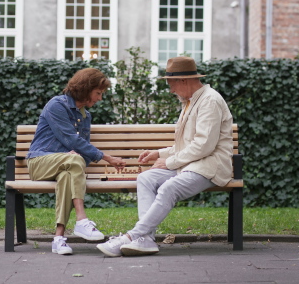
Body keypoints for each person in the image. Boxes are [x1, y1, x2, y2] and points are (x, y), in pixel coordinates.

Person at [96, 56, 233, 257]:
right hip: (192, 165)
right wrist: (159, 153)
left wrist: (168, 162)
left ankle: (133, 236)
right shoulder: (192, 101)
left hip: (210, 167)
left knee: (170, 187)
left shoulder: (209, 100)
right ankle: (146, 240)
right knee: (145, 178)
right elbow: (186, 144)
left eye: (172, 84)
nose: (171, 90)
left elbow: (204, 145)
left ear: (184, 81)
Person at [27, 68, 126, 255]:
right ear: (85, 88)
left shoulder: (85, 116)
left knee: (67, 176)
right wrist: (107, 158)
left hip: (65, 166)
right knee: (73, 159)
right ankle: (81, 219)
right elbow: (72, 140)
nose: (99, 99)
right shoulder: (57, 105)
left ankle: (58, 238)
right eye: (98, 93)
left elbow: (82, 153)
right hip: (40, 162)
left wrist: (74, 154)